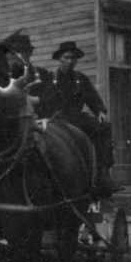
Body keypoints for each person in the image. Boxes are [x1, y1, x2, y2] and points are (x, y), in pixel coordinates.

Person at [49, 40, 119, 197]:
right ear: (60, 59)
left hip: (77, 117)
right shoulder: (52, 79)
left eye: (73, 58)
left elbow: (93, 98)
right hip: (59, 119)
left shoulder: (81, 79)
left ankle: (103, 174)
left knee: (105, 127)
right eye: (67, 57)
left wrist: (100, 111)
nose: (70, 61)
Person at [4, 33, 54, 116]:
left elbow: (53, 99)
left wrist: (36, 100)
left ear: (30, 53)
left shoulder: (42, 74)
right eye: (14, 52)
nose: (18, 56)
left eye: (22, 51)